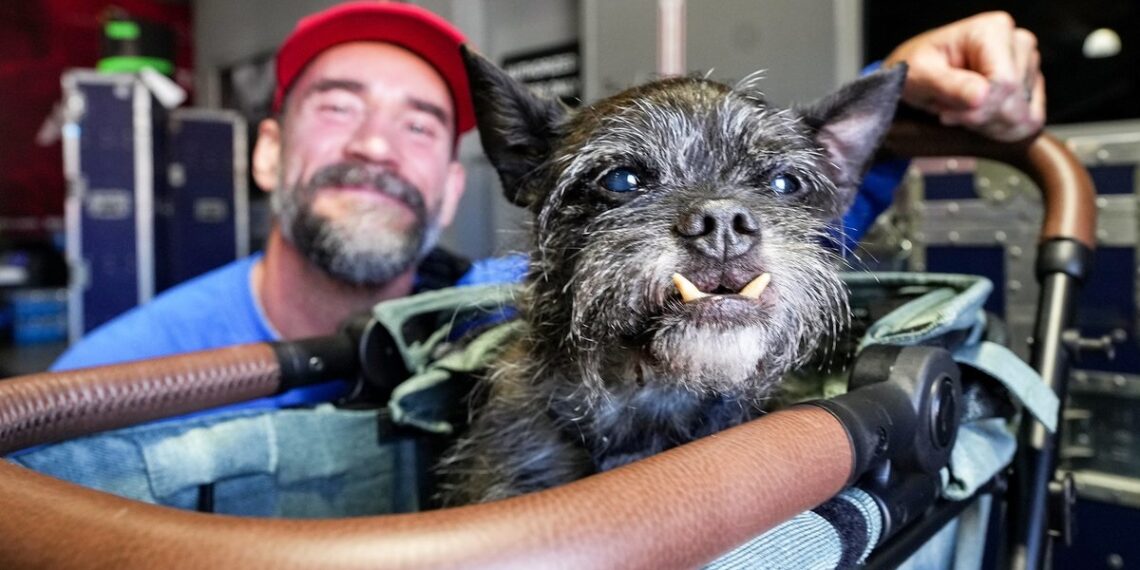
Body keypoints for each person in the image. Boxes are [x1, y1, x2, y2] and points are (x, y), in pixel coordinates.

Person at [51, 4, 1043, 407]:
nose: (371, 143)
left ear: (453, 180)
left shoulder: (498, 303)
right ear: (268, 153)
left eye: (417, 125)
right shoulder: (113, 374)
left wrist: (909, 85)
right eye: (337, 107)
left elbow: (771, 245)